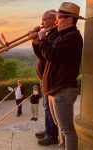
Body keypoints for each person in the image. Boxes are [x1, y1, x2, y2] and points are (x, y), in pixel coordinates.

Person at [30, 2, 85, 150]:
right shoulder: (63, 35)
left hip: (63, 90)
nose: (56, 21)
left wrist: (42, 40)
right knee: (61, 127)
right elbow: (46, 56)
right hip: (56, 89)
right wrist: (37, 42)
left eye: (59, 17)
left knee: (67, 130)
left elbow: (53, 55)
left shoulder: (73, 37)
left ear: (69, 19)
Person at [30, 10, 59, 146]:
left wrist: (41, 40)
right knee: (47, 107)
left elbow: (47, 56)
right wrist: (36, 41)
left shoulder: (55, 35)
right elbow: (41, 55)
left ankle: (51, 134)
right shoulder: (50, 35)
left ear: (54, 19)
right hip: (46, 78)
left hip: (52, 79)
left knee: (49, 108)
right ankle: (49, 130)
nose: (42, 24)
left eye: (44, 20)